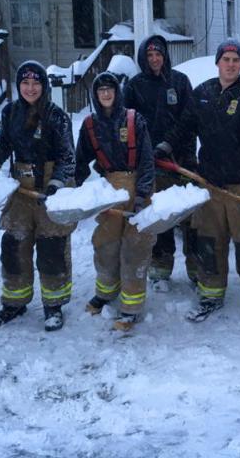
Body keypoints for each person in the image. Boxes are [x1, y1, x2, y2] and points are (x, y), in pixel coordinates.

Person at [156, 39, 240, 331]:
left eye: (236, 60)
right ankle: (210, 295)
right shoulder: (204, 93)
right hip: (208, 184)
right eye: (226, 59)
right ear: (218, 62)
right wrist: (166, 144)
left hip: (239, 187)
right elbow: (185, 126)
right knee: (209, 244)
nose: (231, 64)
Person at [0, 61, 77, 332]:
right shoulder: (10, 112)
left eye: (36, 83)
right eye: (25, 83)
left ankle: (54, 305)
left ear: (44, 86)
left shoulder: (56, 116)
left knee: (52, 247)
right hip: (20, 188)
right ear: (19, 85)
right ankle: (14, 301)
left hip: (51, 186)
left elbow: (67, 157)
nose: (30, 88)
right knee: (14, 245)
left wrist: (56, 184)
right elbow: (4, 145)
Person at [76, 71, 156, 331]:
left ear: (117, 92)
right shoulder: (89, 125)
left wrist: (142, 196)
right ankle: (106, 292)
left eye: (110, 89)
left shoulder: (134, 120)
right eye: (101, 91)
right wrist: (69, 191)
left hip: (138, 187)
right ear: (95, 96)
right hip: (109, 190)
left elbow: (147, 161)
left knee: (135, 247)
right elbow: (80, 163)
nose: (106, 94)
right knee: (105, 243)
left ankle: (131, 306)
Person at [124, 34, 198, 291]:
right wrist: (144, 153)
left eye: (159, 54)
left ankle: (197, 269)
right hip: (152, 163)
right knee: (161, 215)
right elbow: (128, 124)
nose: (155, 59)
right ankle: (161, 268)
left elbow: (189, 118)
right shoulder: (134, 86)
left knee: (191, 219)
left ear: (165, 56)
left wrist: (171, 144)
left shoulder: (179, 81)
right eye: (150, 55)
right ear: (144, 58)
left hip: (182, 159)